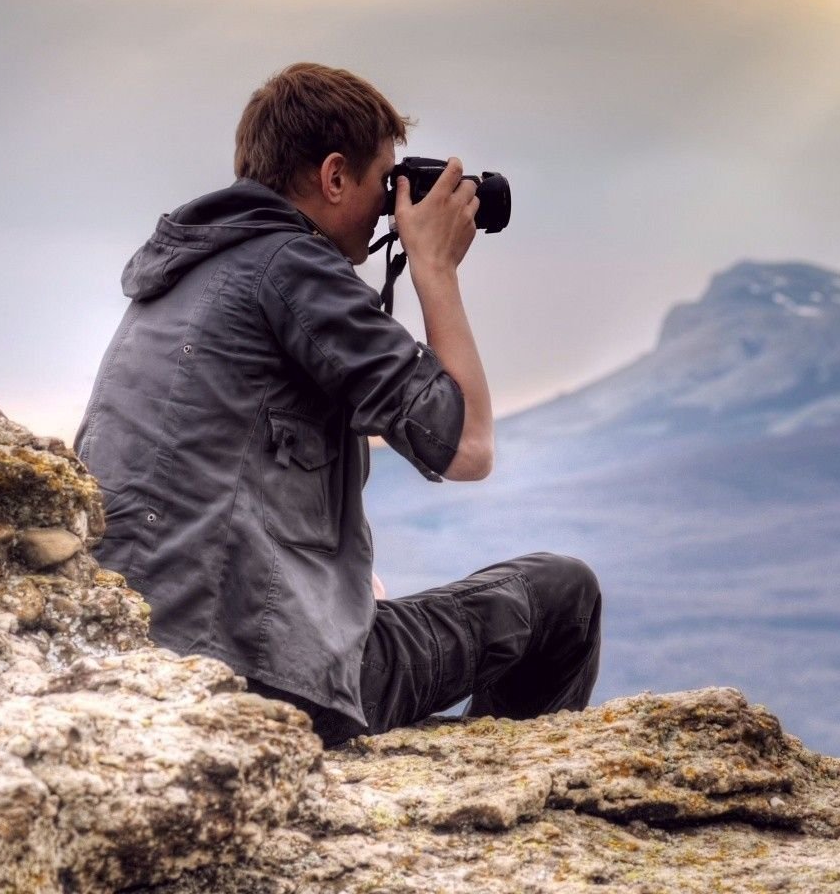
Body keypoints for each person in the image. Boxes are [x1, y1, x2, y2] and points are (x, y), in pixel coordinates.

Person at [74, 62, 601, 746]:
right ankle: (501, 802)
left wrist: (340, 590)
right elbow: (469, 445)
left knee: (388, 627)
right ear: (333, 177)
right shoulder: (291, 269)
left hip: (148, 659)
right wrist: (434, 268)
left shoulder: (182, 275)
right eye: (386, 180)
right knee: (562, 595)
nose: (393, 201)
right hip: (260, 678)